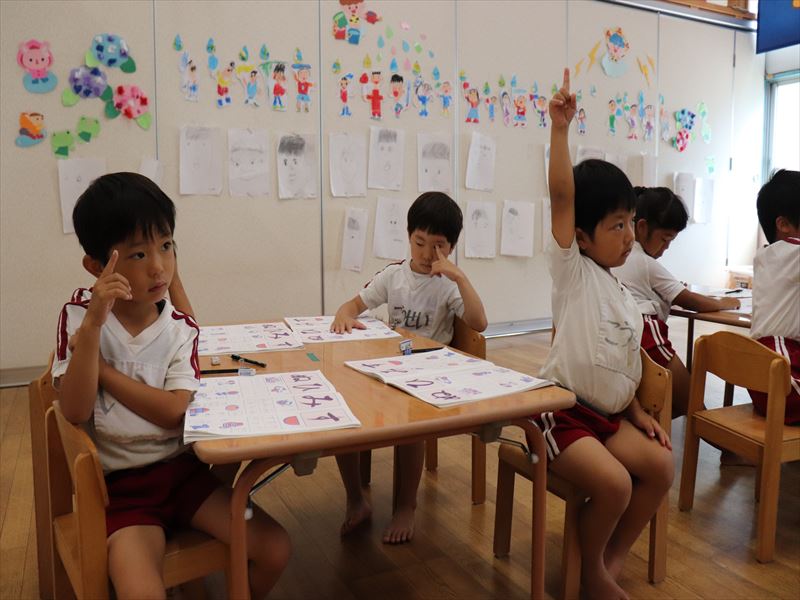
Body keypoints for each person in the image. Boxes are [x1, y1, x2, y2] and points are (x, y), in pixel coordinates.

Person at [52, 173, 290, 599]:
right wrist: (92, 329)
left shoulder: (180, 328)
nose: (158, 266)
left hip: (185, 478)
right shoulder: (80, 316)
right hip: (123, 493)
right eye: (138, 253)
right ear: (96, 267)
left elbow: (173, 411)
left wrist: (106, 373)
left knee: (275, 548)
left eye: (166, 246)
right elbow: (74, 410)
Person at [534, 69, 673, 600]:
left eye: (630, 223)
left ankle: (608, 560)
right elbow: (561, 196)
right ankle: (590, 570)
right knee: (614, 484)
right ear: (582, 236)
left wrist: (636, 412)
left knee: (660, 466)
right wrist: (559, 130)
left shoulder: (623, 296)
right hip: (562, 413)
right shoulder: (573, 269)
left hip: (609, 418)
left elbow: (622, 364)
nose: (629, 237)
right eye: (617, 226)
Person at [330, 191, 487, 544]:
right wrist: (344, 315)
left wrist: (460, 278)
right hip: (390, 368)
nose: (427, 254)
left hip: (430, 375)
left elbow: (479, 322)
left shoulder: (448, 286)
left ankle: (406, 505)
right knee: (345, 410)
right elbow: (351, 306)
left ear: (452, 247)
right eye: (419, 242)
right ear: (408, 236)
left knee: (411, 424)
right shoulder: (393, 275)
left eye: (439, 246)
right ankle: (355, 499)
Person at [612, 186, 740, 417]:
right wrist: (725, 302)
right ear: (641, 227)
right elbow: (691, 301)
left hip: (624, 332)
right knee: (693, 403)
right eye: (665, 239)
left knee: (665, 402)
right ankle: (715, 440)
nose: (666, 248)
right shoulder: (643, 261)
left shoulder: (621, 256)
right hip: (647, 334)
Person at [750, 169, 800, 424]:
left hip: (761, 377)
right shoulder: (793, 253)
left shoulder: (766, 255)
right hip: (783, 375)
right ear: (784, 225)